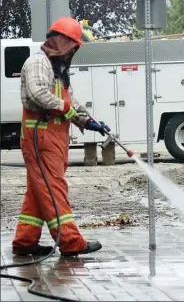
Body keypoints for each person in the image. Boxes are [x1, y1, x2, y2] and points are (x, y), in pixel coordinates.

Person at [12, 17, 110, 257]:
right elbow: (37, 93)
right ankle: (70, 241)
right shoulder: (38, 63)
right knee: (53, 188)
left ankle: (25, 242)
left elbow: (70, 103)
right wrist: (65, 109)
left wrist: (88, 121)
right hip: (40, 137)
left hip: (52, 139)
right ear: (61, 42)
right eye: (73, 47)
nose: (72, 52)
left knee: (39, 189)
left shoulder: (58, 71)